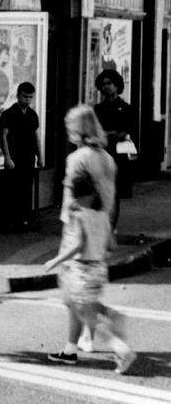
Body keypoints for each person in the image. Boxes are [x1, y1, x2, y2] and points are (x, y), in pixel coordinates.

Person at [45, 105, 136, 374]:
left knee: (74, 294)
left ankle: (85, 342)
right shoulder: (107, 158)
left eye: (70, 128)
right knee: (83, 294)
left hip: (77, 228)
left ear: (78, 129)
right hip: (101, 226)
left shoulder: (78, 158)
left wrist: (68, 225)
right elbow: (110, 198)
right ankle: (74, 344)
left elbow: (71, 197)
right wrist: (108, 230)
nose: (68, 132)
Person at [93, 69, 135, 230]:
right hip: (101, 154)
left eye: (109, 84)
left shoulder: (125, 108)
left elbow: (128, 130)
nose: (106, 87)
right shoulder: (98, 108)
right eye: (103, 85)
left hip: (118, 154)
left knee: (115, 193)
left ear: (117, 85)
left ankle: (110, 228)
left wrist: (111, 133)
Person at [0, 82, 41, 231]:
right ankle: (10, 221)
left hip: (28, 156)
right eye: (24, 96)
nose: (27, 100)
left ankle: (24, 220)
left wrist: (40, 156)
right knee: (12, 189)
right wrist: (7, 157)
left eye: (30, 97)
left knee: (26, 188)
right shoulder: (8, 114)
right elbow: (3, 136)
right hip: (14, 156)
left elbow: (36, 137)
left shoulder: (32, 114)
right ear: (18, 96)